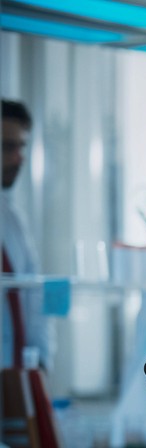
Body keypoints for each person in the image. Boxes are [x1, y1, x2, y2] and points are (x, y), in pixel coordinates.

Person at [1, 99, 49, 369]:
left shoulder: (12, 218)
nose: (20, 158)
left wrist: (41, 360)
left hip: (17, 371)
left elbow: (34, 296)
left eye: (21, 147)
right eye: (7, 147)